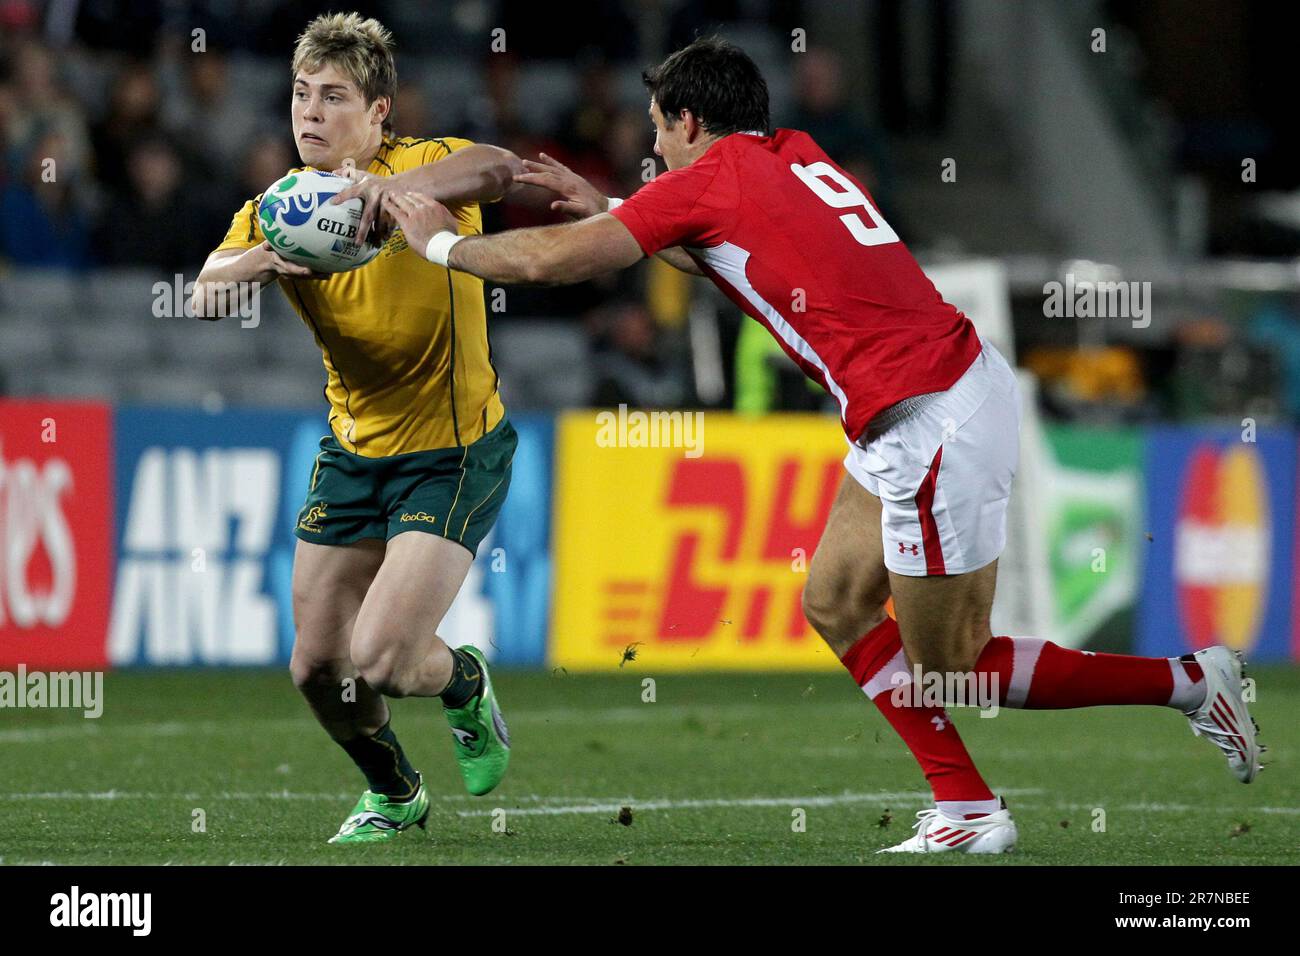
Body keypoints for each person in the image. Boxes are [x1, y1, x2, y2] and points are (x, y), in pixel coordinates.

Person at [381, 36, 1264, 854]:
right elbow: (726, 246)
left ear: (691, 121)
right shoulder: (790, 154)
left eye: (660, 132)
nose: (656, 151)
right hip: (924, 399)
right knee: (837, 603)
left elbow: (551, 262)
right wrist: (619, 206)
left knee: (952, 668)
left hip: (930, 418)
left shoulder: (710, 178)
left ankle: (1185, 684)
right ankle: (967, 806)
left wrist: (442, 247)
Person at [190, 12, 524, 845]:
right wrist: (265, 262)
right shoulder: (276, 209)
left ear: (380, 113)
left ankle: (463, 684)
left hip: (452, 449)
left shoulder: (420, 167)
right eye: (301, 94)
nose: (309, 113)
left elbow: (499, 166)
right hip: (353, 450)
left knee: (382, 659)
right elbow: (202, 293)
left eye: (334, 96)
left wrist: (396, 195)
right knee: (315, 668)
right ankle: (396, 793)